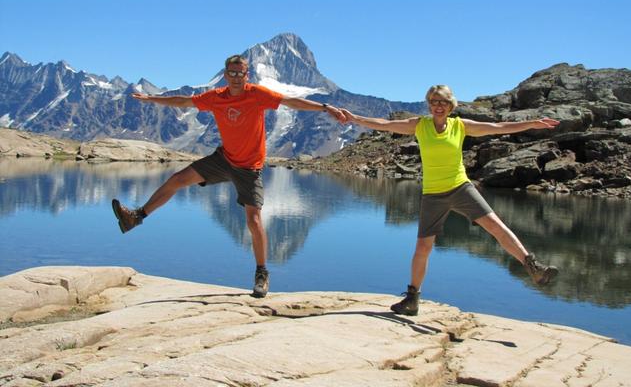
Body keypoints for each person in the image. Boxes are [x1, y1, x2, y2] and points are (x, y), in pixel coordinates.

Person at [111, 54, 346, 298]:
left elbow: (291, 102)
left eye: (240, 73)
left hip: (250, 168)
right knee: (177, 180)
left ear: (247, 75)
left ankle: (262, 274)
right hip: (224, 159)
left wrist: (325, 107)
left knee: (253, 221)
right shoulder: (216, 97)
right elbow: (184, 102)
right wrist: (152, 99)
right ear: (225, 75)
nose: (235, 77)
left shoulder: (257, 94)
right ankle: (136, 217)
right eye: (231, 73)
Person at [340, 84, 559, 316]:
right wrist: (355, 118)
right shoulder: (419, 125)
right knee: (423, 248)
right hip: (433, 194)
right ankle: (412, 299)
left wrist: (531, 124)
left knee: (496, 226)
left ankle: (534, 268)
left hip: (461, 188)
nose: (438, 106)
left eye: (443, 102)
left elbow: (497, 127)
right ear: (429, 104)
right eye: (434, 101)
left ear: (451, 105)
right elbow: (383, 124)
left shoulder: (460, 126)